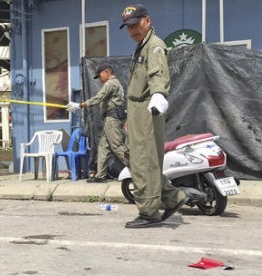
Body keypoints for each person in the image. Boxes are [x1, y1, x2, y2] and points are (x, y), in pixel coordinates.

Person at [119, 4, 188, 228]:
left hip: (149, 108)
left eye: (135, 25)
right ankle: (172, 197)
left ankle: (149, 212)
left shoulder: (154, 46)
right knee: (139, 158)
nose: (132, 31)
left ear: (147, 21)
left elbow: (157, 74)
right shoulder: (142, 46)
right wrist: (131, 117)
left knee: (143, 161)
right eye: (128, 28)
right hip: (138, 110)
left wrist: (159, 94)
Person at [66, 63, 129, 182]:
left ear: (107, 72)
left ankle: (138, 170)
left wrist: (80, 105)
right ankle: (100, 175)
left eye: (100, 76)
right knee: (103, 147)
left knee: (117, 147)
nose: (100, 79)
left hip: (112, 118)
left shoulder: (110, 83)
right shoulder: (117, 83)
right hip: (112, 118)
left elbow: (98, 97)